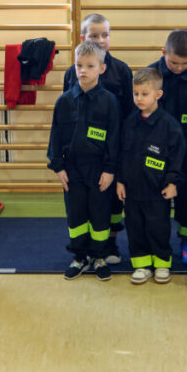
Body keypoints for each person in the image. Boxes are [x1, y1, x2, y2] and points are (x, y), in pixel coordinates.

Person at [62, 13, 134, 264]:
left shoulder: (122, 70)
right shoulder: (73, 72)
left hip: (112, 150)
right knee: (84, 203)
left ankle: (109, 244)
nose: (101, 40)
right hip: (82, 154)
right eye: (94, 36)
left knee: (111, 201)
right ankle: (84, 251)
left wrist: (119, 153)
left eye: (105, 35)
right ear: (83, 38)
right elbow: (67, 111)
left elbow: (129, 112)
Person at [47, 41, 120, 281]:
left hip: (99, 171)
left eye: (90, 65)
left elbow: (114, 139)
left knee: (99, 215)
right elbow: (55, 136)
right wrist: (58, 166)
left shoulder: (109, 102)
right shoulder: (64, 102)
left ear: (102, 68)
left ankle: (98, 256)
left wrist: (110, 170)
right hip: (72, 171)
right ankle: (80, 257)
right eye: (79, 65)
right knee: (76, 216)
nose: (83, 70)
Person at [148, 30, 187, 265]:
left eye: (185, 63)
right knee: (156, 202)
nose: (178, 68)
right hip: (157, 152)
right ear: (163, 52)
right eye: (174, 62)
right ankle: (158, 245)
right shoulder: (150, 75)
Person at [116, 67, 184, 285]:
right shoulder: (128, 123)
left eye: (144, 94)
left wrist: (173, 182)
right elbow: (121, 155)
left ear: (158, 94)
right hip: (133, 191)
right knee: (135, 228)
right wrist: (120, 180)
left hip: (158, 191)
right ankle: (142, 265)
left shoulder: (169, 125)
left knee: (158, 228)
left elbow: (177, 156)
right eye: (136, 93)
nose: (139, 98)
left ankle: (162, 263)